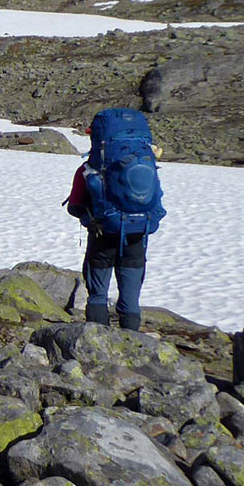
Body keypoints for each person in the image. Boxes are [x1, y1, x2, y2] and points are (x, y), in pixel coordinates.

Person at [64, 108, 165, 331]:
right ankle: (132, 340)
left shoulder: (88, 169)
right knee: (130, 297)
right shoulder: (146, 163)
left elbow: (75, 206)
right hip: (137, 234)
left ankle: (97, 338)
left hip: (102, 235)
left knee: (97, 294)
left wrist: (89, 217)